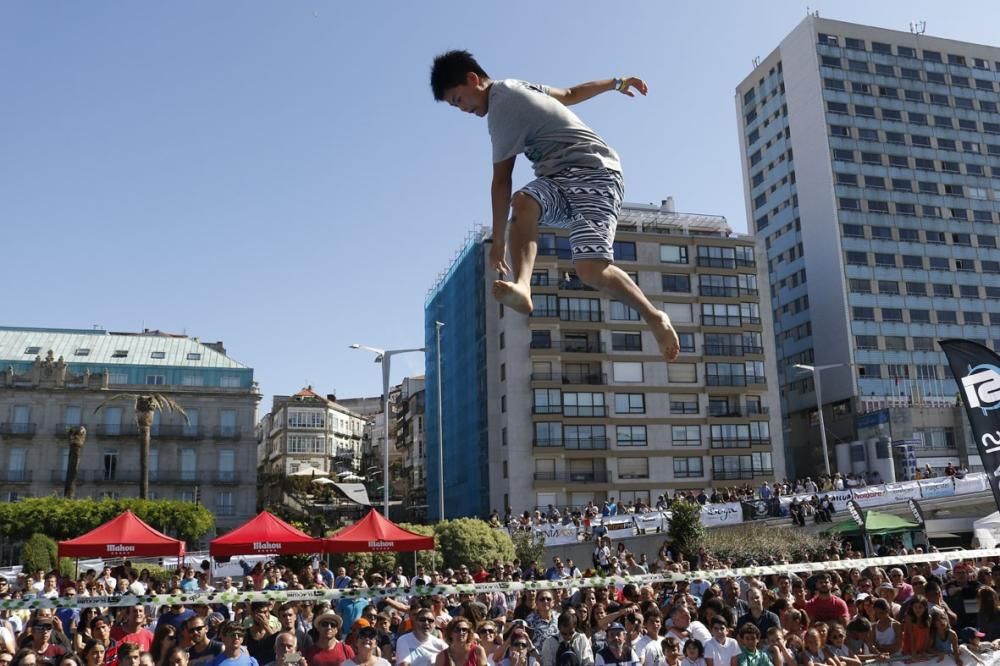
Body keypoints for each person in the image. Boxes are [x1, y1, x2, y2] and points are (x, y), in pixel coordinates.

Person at [430, 50, 680, 364]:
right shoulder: (517, 86)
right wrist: (617, 83)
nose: (462, 109)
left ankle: (655, 316)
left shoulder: (501, 107)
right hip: (556, 180)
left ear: (472, 80)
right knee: (524, 202)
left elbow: (501, 180)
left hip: (595, 174)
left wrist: (499, 241)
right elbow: (570, 94)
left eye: (458, 100)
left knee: (590, 270)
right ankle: (523, 286)